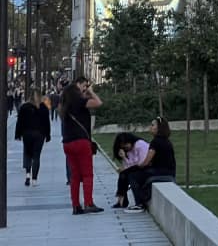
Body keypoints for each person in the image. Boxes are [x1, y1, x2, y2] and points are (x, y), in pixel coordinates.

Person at [60, 77, 104, 214]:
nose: (85, 89)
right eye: (84, 86)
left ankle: (75, 205)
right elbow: (98, 103)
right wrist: (91, 92)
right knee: (87, 174)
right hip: (81, 142)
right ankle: (89, 203)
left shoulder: (65, 105)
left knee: (75, 176)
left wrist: (84, 93)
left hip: (67, 143)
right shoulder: (80, 101)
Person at [125, 117, 176, 213]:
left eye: (153, 125)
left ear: (159, 128)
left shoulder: (155, 142)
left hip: (160, 173)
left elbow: (146, 161)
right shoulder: (167, 141)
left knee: (133, 176)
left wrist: (137, 166)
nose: (150, 127)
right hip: (170, 172)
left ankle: (139, 204)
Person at [14, 87, 51, 186]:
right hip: (40, 134)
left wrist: (18, 134)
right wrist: (48, 135)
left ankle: (27, 174)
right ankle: (34, 180)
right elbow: (47, 123)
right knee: (36, 156)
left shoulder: (24, 107)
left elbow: (20, 122)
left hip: (27, 133)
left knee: (27, 153)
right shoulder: (43, 108)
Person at [111, 132, 150, 208]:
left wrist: (126, 169)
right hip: (138, 168)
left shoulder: (140, 145)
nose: (125, 148)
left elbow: (141, 163)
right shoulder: (129, 150)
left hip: (147, 168)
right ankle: (122, 199)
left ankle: (122, 199)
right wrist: (124, 157)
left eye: (125, 145)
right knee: (124, 174)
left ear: (129, 140)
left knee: (127, 174)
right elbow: (129, 166)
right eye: (123, 147)